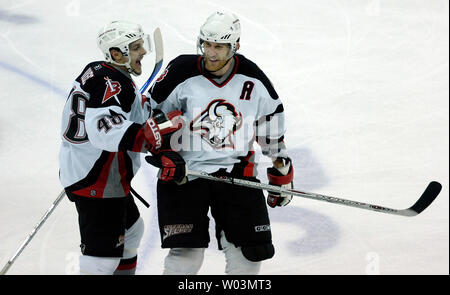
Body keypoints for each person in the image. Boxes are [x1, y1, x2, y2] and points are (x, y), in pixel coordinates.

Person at [147, 11, 294, 275]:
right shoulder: (180, 70)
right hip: (185, 172)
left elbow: (270, 127)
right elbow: (150, 118)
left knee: (250, 254)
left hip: (236, 172)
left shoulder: (253, 78)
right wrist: (164, 151)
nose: (211, 53)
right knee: (186, 254)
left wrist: (280, 170)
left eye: (220, 46)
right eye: (208, 44)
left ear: (235, 46)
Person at [58, 20, 185, 275]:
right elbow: (104, 129)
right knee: (101, 260)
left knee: (131, 231)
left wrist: (147, 117)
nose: (144, 52)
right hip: (97, 179)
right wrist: (149, 136)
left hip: (87, 169)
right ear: (116, 54)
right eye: (136, 47)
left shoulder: (101, 72)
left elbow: (121, 113)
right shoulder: (112, 84)